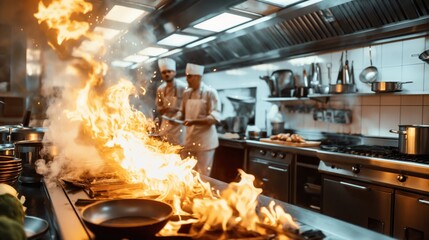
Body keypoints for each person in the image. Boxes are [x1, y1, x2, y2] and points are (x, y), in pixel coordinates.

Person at [178, 63, 221, 176]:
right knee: (187, 173)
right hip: (189, 140)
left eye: (189, 76)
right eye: (186, 76)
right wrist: (175, 117)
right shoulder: (187, 93)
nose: (187, 79)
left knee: (202, 174)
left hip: (205, 143)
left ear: (198, 77)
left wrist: (194, 121)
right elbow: (182, 113)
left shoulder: (210, 93)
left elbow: (214, 118)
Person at [155, 58, 187, 145]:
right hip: (166, 123)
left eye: (169, 71)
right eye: (164, 72)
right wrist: (164, 109)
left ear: (174, 72)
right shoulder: (160, 89)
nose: (167, 74)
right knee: (164, 147)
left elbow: (187, 107)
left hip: (179, 125)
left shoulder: (183, 87)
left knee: (179, 150)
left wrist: (177, 114)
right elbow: (158, 106)